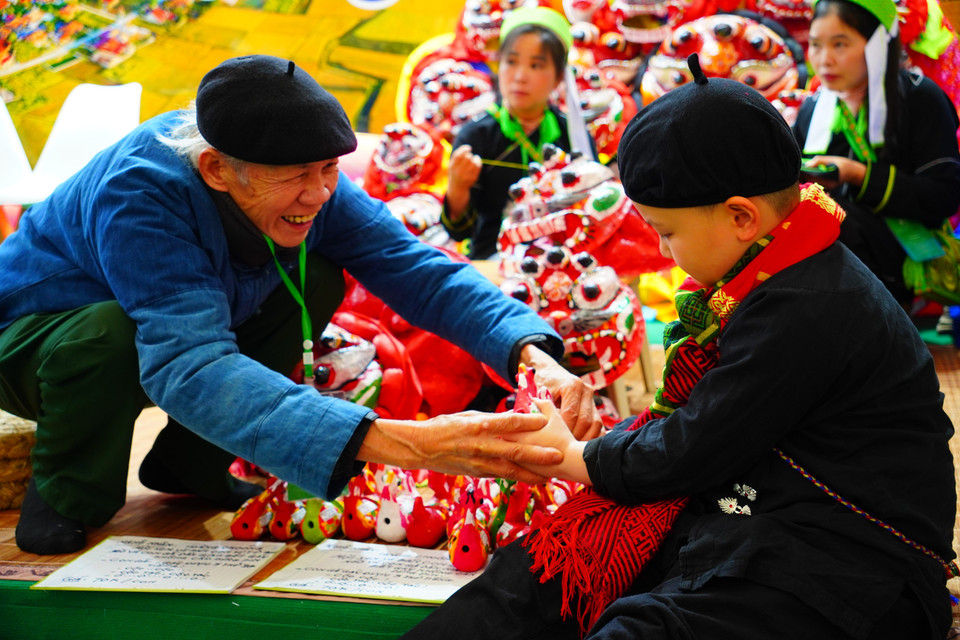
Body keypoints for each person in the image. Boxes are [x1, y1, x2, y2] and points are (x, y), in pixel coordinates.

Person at [401, 53, 957, 640]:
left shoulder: (810, 302)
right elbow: (697, 435)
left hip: (844, 563)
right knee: (532, 581)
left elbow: (689, 449)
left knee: (638, 629)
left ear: (742, 216)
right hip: (750, 516)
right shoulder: (771, 273)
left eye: (667, 233)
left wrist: (573, 457)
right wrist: (602, 448)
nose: (665, 254)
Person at [0, 54, 602, 556]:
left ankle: (191, 465)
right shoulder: (140, 194)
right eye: (297, 177)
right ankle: (66, 490)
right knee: (110, 332)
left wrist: (531, 351)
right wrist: (411, 444)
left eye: (329, 170)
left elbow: (417, 269)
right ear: (215, 168)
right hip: (34, 340)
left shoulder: (304, 179)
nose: (317, 193)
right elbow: (188, 366)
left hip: (147, 336)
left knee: (315, 273)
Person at [793, 0, 960, 305]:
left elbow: (944, 196)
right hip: (827, 258)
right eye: (815, 45)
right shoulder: (813, 107)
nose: (824, 59)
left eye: (840, 44)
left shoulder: (921, 98)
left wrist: (856, 174)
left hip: (898, 258)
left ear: (878, 43)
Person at [441, 6, 593, 260]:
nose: (520, 76)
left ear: (558, 78)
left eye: (536, 65)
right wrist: (457, 188)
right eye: (511, 62)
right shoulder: (475, 136)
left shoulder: (573, 135)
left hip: (563, 262)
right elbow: (458, 232)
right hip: (492, 264)